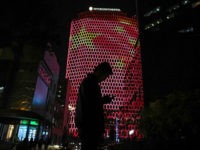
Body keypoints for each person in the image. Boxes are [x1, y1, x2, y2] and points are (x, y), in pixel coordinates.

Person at [75, 61, 115, 150]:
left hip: (88, 126)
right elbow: (90, 104)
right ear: (100, 71)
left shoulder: (90, 82)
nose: (105, 78)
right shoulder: (90, 83)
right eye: (106, 75)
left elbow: (91, 102)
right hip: (89, 127)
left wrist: (102, 100)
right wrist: (103, 100)